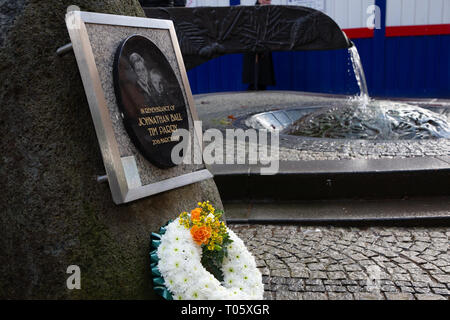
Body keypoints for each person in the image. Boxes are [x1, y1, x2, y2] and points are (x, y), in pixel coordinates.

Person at [242, 0, 276, 91]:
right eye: (266, 0)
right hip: (254, 46)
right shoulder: (252, 11)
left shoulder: (270, 11)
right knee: (254, 75)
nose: (268, 2)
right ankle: (253, 89)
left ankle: (260, 88)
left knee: (263, 75)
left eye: (269, 0)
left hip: (265, 46)